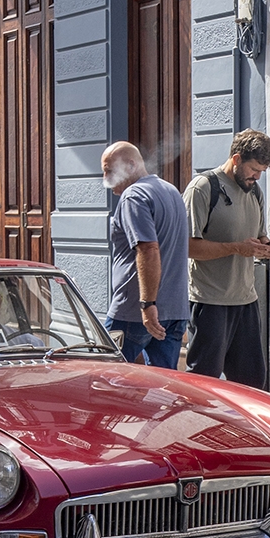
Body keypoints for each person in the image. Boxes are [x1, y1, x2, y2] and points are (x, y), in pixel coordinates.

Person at [183, 129, 270, 389]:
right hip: (209, 303)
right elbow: (188, 247)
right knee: (204, 385)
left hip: (246, 302)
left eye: (262, 171)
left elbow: (259, 236)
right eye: (254, 169)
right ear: (236, 159)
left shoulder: (254, 191)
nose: (257, 177)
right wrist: (236, 248)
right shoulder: (203, 188)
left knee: (252, 384)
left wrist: (266, 248)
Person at [101, 141, 191, 369]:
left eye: (109, 170)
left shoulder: (133, 196)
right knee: (164, 388)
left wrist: (147, 304)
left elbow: (148, 249)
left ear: (131, 166)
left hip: (134, 311)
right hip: (174, 311)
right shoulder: (171, 191)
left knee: (106, 379)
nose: (105, 178)